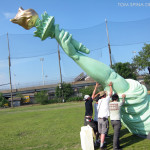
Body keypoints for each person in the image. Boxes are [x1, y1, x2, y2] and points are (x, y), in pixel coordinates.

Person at [97, 82, 113, 150]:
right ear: (104, 95)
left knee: (101, 132)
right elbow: (111, 93)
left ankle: (101, 142)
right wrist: (110, 86)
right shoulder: (106, 100)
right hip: (104, 119)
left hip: (99, 119)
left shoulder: (99, 101)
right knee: (103, 133)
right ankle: (101, 146)